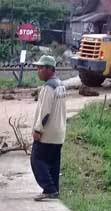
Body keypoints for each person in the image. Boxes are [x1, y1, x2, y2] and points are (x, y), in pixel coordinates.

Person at [30, 55, 67, 202]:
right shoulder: (60, 85)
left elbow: (45, 111)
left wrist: (38, 129)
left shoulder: (48, 87)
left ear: (50, 69)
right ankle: (54, 188)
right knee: (53, 162)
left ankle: (49, 189)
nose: (38, 71)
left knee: (36, 159)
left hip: (48, 133)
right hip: (59, 133)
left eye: (41, 68)